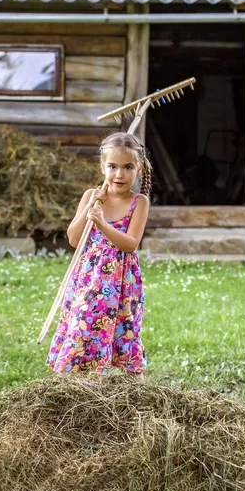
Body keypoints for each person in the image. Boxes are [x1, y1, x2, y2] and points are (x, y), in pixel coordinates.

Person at [46, 132, 151, 376]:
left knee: (125, 328)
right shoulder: (91, 196)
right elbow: (73, 238)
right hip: (88, 278)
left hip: (122, 283)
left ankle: (135, 387)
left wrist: (103, 224)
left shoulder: (139, 202)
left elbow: (130, 244)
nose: (119, 175)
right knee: (84, 322)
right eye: (112, 166)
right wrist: (90, 208)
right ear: (102, 166)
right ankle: (77, 381)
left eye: (128, 167)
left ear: (138, 169)